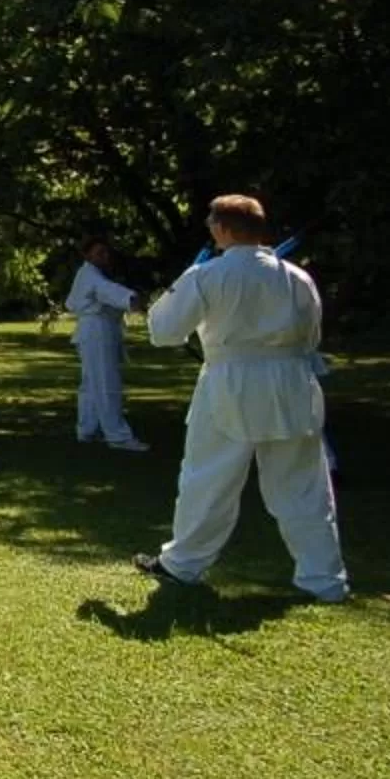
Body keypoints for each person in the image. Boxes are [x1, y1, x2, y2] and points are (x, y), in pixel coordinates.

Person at [134, 195, 347, 602]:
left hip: (231, 382)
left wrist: (181, 285)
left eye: (212, 222)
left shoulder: (206, 276)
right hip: (292, 382)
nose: (210, 229)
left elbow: (163, 331)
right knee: (303, 485)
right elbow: (312, 335)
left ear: (224, 229)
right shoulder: (297, 278)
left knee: (208, 477)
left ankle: (183, 564)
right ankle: (325, 579)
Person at [67, 237, 147, 451]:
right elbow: (106, 290)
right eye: (99, 252)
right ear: (88, 255)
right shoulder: (90, 276)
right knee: (106, 383)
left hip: (97, 329)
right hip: (97, 330)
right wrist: (131, 298)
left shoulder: (90, 275)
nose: (105, 257)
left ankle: (87, 429)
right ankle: (118, 436)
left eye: (106, 253)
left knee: (92, 383)